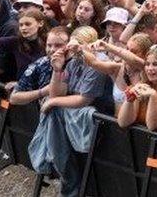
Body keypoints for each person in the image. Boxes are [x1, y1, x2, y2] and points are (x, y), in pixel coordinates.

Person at [28, 26, 113, 197]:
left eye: (78, 46)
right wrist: (57, 70)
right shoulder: (73, 62)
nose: (73, 49)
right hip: (71, 117)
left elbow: (84, 100)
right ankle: (61, 174)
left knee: (53, 111)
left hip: (100, 119)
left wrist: (52, 102)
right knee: (53, 112)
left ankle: (60, 174)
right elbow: (56, 93)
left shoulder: (98, 62)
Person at [116, 45, 157, 130]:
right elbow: (123, 122)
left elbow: (152, 126)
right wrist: (130, 99)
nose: (150, 68)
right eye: (147, 64)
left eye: (155, 64)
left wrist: (153, 97)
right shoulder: (142, 84)